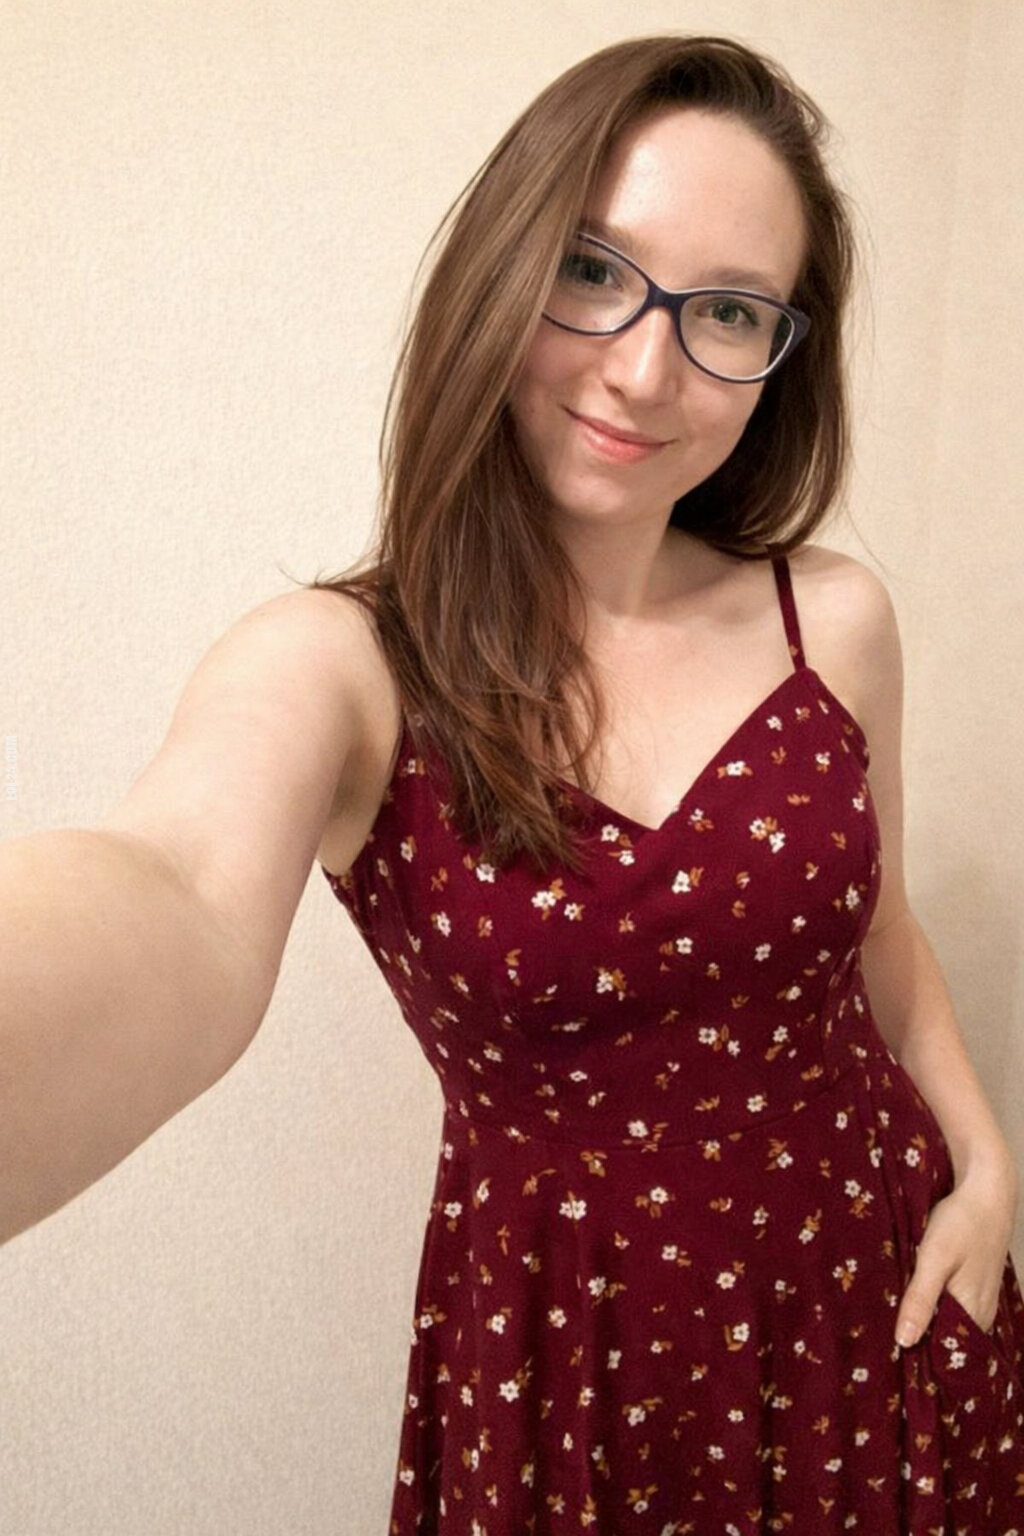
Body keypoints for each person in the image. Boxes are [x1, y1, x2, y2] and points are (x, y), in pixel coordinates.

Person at [2, 30, 1022, 1533]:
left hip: (882, 1307)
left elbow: (878, 933)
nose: (646, 368)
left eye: (729, 310)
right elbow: (177, 893)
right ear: (499, 265)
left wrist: (987, 1165)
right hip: (571, 1377)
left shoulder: (836, 621)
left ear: (782, 355)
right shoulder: (347, 666)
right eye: (593, 270)